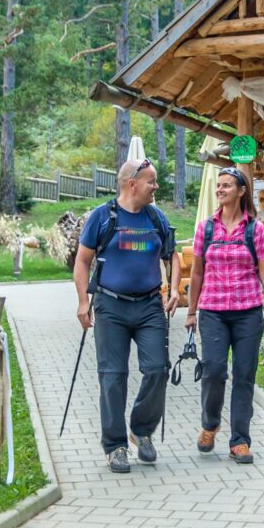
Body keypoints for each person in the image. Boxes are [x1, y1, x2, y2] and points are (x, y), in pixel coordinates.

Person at [72, 159, 181, 473]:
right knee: (113, 377)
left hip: (149, 306)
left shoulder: (156, 217)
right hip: (111, 306)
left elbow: (170, 254)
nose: (156, 187)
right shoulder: (102, 217)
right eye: (152, 181)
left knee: (158, 369)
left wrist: (173, 289)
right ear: (132, 183)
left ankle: (141, 429)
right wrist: (83, 301)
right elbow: (82, 261)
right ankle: (115, 445)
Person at [185, 168, 264, 465]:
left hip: (248, 314)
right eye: (219, 186)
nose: (221, 190)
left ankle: (240, 441)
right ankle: (210, 424)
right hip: (212, 311)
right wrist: (191, 311)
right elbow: (197, 271)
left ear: (241, 191)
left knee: (244, 376)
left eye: (227, 186)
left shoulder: (256, 230)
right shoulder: (206, 229)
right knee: (214, 371)